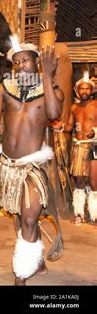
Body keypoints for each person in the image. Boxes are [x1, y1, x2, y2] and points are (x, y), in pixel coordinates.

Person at [0, 37, 64, 285]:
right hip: (8, 167)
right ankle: (35, 257)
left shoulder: (53, 90)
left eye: (25, 60)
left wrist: (47, 76)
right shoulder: (3, 89)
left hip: (34, 165)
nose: (20, 66)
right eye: (16, 62)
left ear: (37, 62)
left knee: (28, 217)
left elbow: (55, 114)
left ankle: (21, 275)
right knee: (24, 217)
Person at [52, 71, 97, 223]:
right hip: (78, 147)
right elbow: (70, 126)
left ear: (93, 90)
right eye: (82, 89)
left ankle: (94, 215)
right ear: (77, 91)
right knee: (79, 182)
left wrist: (95, 133)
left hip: (93, 147)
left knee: (94, 182)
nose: (85, 91)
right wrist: (60, 126)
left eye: (88, 88)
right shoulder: (74, 107)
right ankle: (79, 214)